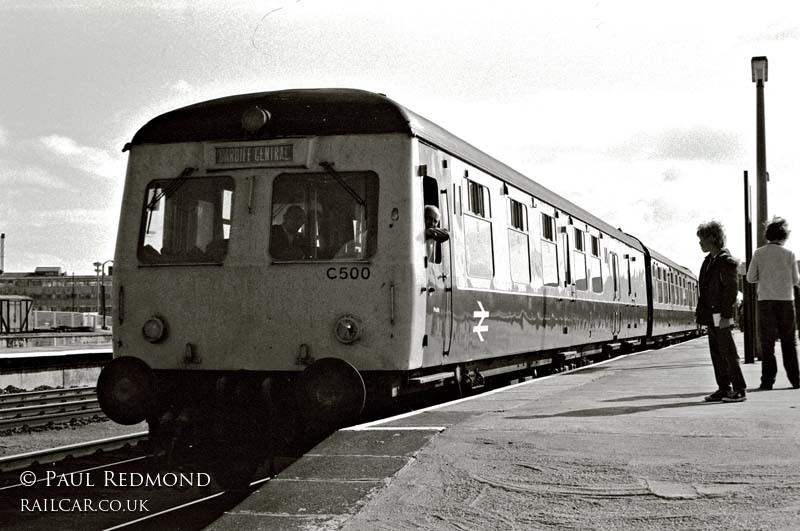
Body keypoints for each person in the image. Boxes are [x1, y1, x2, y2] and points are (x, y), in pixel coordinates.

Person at [745, 217, 800, 390]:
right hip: (786, 301)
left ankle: (767, 381)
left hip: (765, 302)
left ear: (768, 235)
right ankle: (795, 380)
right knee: (789, 342)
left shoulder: (759, 253)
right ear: (784, 235)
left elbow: (750, 277)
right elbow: (796, 280)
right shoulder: (789, 254)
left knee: (767, 343)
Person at [695, 221, 747, 402]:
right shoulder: (709, 261)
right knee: (716, 352)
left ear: (712, 239)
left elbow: (731, 291)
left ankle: (739, 389)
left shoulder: (726, 261)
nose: (700, 243)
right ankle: (724, 388)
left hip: (721, 314)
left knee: (728, 352)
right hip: (711, 314)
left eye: (702, 239)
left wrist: (726, 316)